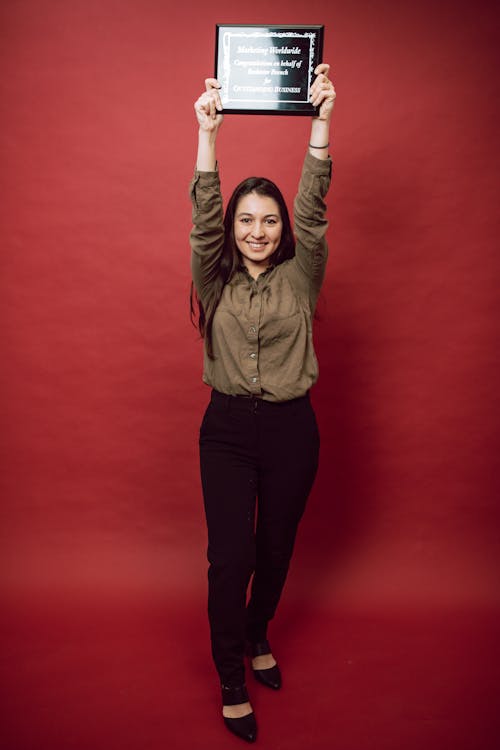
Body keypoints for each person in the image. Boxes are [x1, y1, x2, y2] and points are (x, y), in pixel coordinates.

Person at [189, 64, 336, 743]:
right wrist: (207, 135)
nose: (257, 231)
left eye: (267, 220)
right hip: (225, 431)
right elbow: (202, 216)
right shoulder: (212, 275)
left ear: (282, 229)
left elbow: (313, 203)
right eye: (245, 220)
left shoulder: (301, 278)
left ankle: (256, 633)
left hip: (290, 432)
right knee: (232, 557)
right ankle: (229, 676)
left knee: (275, 550)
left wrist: (321, 122)